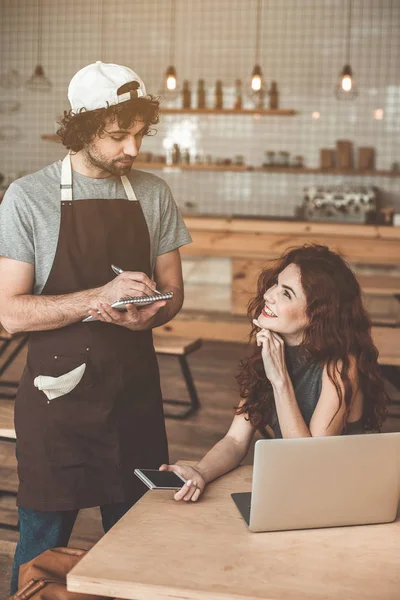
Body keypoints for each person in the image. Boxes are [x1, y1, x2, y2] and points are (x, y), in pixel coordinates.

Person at [0, 61, 192, 594]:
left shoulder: (153, 194)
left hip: (133, 399)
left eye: (138, 134)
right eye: (117, 135)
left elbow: (174, 292)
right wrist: (96, 299)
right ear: (82, 129)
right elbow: (10, 313)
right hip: (56, 407)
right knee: (41, 542)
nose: (133, 148)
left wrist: (153, 312)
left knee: (138, 543)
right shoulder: (28, 197)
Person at [160, 244, 389, 502]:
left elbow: (310, 464)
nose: (269, 295)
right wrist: (199, 472)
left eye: (286, 294)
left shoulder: (340, 366)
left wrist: (280, 380)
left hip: (347, 495)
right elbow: (235, 440)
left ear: (317, 316)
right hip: (299, 491)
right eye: (276, 284)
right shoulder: (273, 348)